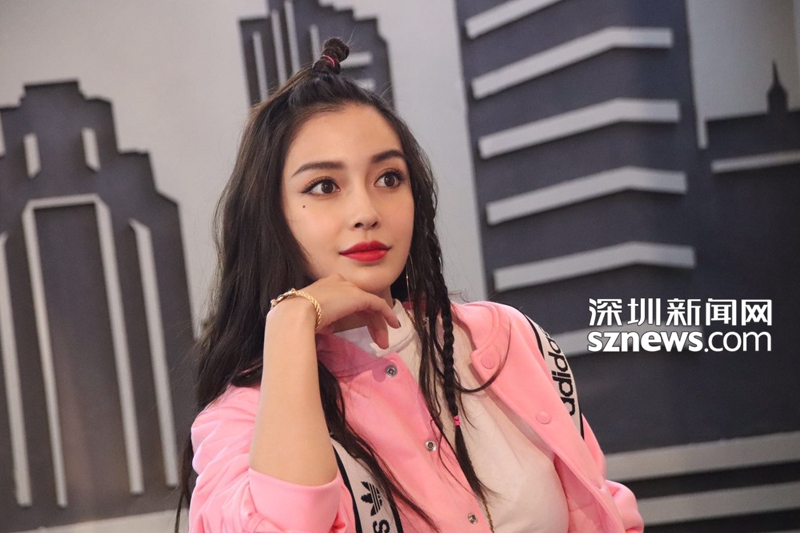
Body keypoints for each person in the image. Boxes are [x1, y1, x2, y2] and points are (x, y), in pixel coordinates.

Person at [176, 37, 644, 533]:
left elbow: (604, 511)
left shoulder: (504, 339)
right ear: (270, 215)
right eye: (325, 186)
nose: (366, 212)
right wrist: (291, 318)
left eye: (388, 178)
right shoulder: (241, 421)